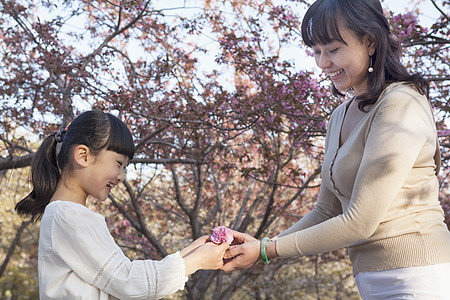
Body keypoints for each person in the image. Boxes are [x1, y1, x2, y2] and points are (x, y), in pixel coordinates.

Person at [221, 0, 450, 298]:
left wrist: (268, 250)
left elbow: (360, 221)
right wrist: (261, 246)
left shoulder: (400, 104)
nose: (322, 63)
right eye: (316, 51)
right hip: (371, 279)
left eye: (333, 49)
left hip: (417, 275)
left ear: (369, 42)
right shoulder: (340, 116)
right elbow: (326, 210)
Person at [15, 110, 229, 300]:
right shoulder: (67, 215)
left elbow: (120, 279)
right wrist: (196, 261)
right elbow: (129, 282)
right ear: (83, 155)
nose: (122, 177)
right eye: (119, 164)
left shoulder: (66, 214)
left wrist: (191, 254)